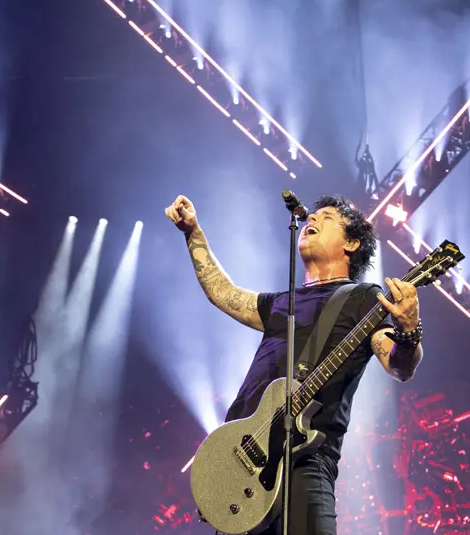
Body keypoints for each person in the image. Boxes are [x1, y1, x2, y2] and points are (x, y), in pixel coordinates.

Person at [164, 193, 424, 535]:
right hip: (243, 460)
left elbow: (399, 365)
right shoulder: (281, 301)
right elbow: (222, 293)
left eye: (327, 217)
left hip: (305, 459)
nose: (312, 220)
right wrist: (193, 232)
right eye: (312, 216)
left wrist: (409, 332)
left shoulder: (365, 299)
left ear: (351, 243)